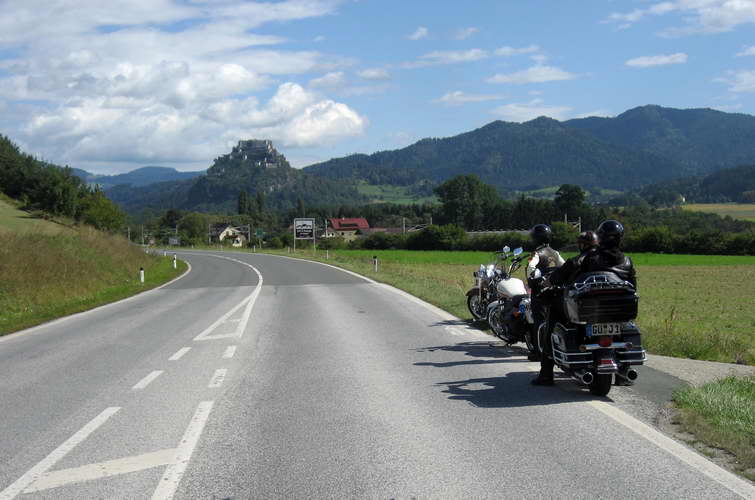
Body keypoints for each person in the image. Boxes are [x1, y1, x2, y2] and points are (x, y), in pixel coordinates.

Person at [531, 220, 636, 386]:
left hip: (589, 308)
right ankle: (623, 373)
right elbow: (633, 287)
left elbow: (572, 277)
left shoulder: (590, 258)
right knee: (623, 324)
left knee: (553, 317)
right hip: (617, 309)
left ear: (600, 237)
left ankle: (546, 373)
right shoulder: (627, 261)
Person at [525, 224, 565, 361]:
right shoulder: (554, 252)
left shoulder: (536, 253)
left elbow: (531, 267)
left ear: (536, 238)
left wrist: (532, 279)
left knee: (538, 321)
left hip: (540, 291)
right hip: (555, 290)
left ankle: (538, 352)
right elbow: (564, 266)